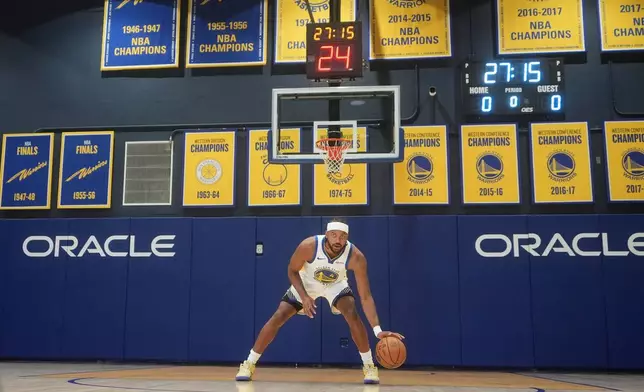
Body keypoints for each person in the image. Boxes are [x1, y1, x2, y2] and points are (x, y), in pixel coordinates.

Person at [235, 218, 404, 384]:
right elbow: (292, 270)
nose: (338, 240)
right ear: (326, 234)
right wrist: (304, 297)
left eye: (343, 236)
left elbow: (366, 296)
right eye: (334, 235)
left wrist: (377, 330)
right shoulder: (308, 246)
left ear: (347, 237)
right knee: (279, 316)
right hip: (307, 283)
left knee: (352, 313)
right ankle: (248, 363)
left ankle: (369, 366)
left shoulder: (356, 256)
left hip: (336, 285)